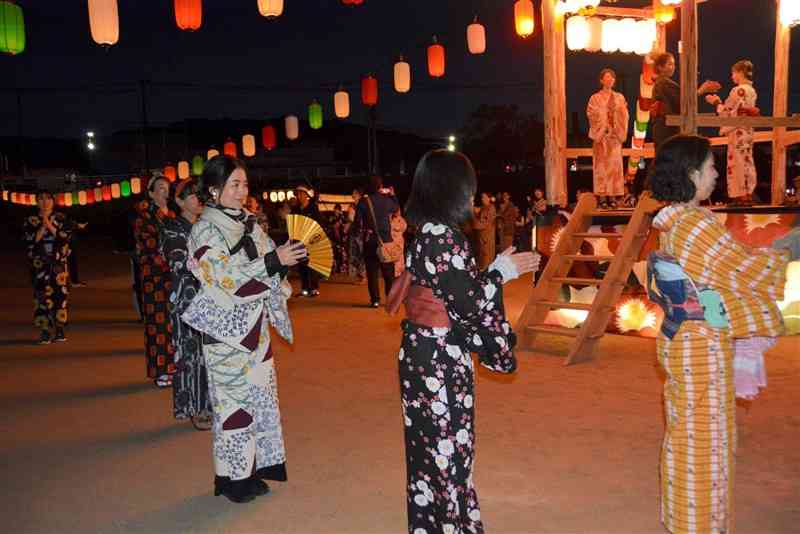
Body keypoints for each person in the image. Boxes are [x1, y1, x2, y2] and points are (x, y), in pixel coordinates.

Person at [647, 135, 791, 534]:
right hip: (700, 345)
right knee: (703, 443)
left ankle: (688, 523)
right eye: (711, 166)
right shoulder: (692, 225)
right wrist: (786, 251)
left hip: (686, 341)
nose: (715, 174)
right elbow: (740, 267)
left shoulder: (676, 220)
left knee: (690, 435)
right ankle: (698, 527)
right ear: (692, 173)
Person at [392, 149, 539, 533]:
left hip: (420, 351)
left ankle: (432, 524)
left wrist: (490, 273)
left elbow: (454, 292)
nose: (474, 197)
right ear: (453, 189)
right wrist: (501, 274)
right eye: (469, 189)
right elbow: (469, 304)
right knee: (450, 447)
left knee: (429, 450)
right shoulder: (446, 237)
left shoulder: (425, 231)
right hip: (441, 356)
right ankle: (454, 526)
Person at [182, 155, 307, 503]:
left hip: (256, 328)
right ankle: (234, 480)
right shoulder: (204, 230)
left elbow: (270, 266)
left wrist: (286, 262)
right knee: (233, 407)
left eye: (244, 184)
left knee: (258, 401)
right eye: (234, 185)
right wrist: (272, 262)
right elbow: (222, 279)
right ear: (214, 189)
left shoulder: (251, 224)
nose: (241, 191)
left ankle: (252, 471)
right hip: (225, 331)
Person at [160, 178, 212, 430]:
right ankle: (195, 407)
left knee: (211, 355)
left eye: (199, 194)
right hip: (187, 300)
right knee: (190, 355)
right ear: (179, 201)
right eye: (191, 195)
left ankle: (211, 405)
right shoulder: (171, 227)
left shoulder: (208, 225)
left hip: (212, 300)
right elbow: (179, 261)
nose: (198, 199)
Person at [133, 175, 176, 388]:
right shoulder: (144, 216)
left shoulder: (174, 214)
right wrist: (172, 261)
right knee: (158, 324)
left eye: (167, 187)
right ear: (150, 193)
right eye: (160, 188)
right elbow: (150, 247)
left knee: (174, 323)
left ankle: (174, 366)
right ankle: (160, 371)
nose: (164, 191)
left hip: (175, 275)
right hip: (155, 276)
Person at [23, 191, 74, 344]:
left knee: (60, 297)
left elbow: (64, 238)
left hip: (58, 267)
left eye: (48, 199)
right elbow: (31, 241)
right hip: (40, 266)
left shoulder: (62, 218)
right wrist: (43, 226)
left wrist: (49, 223)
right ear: (36, 202)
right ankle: (45, 331)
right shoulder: (30, 221)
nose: (44, 202)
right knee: (41, 298)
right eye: (41, 199)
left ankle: (59, 329)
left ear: (53, 201)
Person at [705, 60, 758, 205]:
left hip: (737, 130)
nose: (732, 77)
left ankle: (740, 196)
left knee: (737, 161)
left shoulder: (738, 90)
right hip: (747, 129)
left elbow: (731, 111)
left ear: (740, 72)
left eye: (733, 73)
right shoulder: (752, 90)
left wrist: (716, 102)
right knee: (747, 160)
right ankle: (748, 194)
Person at [651, 52, 720, 150]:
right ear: (660, 67)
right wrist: (701, 90)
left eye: (674, 64)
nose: (673, 67)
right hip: (666, 129)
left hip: (665, 128)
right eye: (669, 64)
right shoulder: (663, 83)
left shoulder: (662, 83)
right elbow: (683, 102)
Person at [354, 176, 400, 307]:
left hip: (370, 241)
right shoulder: (386, 200)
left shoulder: (363, 202)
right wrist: (393, 195)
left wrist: (360, 234)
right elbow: (396, 208)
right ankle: (390, 300)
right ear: (380, 187)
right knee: (388, 274)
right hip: (386, 241)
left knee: (372, 272)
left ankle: (375, 300)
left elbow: (357, 223)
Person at [587, 68, 629, 208]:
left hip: (615, 136)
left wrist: (617, 114)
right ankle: (603, 197)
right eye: (606, 77)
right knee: (601, 167)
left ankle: (613, 196)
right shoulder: (595, 98)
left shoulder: (620, 97)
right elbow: (591, 114)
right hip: (602, 136)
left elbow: (625, 115)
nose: (609, 79)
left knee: (614, 167)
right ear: (601, 80)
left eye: (612, 77)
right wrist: (604, 118)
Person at [293, 184, 321, 297]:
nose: (299, 196)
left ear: (306, 195)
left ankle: (314, 288)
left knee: (312, 264)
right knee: (302, 265)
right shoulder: (295, 209)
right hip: (299, 240)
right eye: (297, 194)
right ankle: (305, 288)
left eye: (301, 193)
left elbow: (317, 223)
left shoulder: (313, 208)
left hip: (311, 240)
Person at [472, 192, 496, 270]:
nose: (483, 199)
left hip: (487, 236)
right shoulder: (484, 207)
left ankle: (488, 273)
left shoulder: (491, 208)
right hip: (482, 236)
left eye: (485, 197)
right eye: (482, 197)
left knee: (487, 256)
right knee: (482, 255)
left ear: (489, 198)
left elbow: (484, 223)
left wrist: (475, 222)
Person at [389, 208, 407, 278]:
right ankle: (393, 271)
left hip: (399, 239)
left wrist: (397, 230)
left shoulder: (401, 219)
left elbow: (403, 227)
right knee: (392, 255)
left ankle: (399, 271)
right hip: (392, 240)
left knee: (399, 255)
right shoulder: (389, 218)